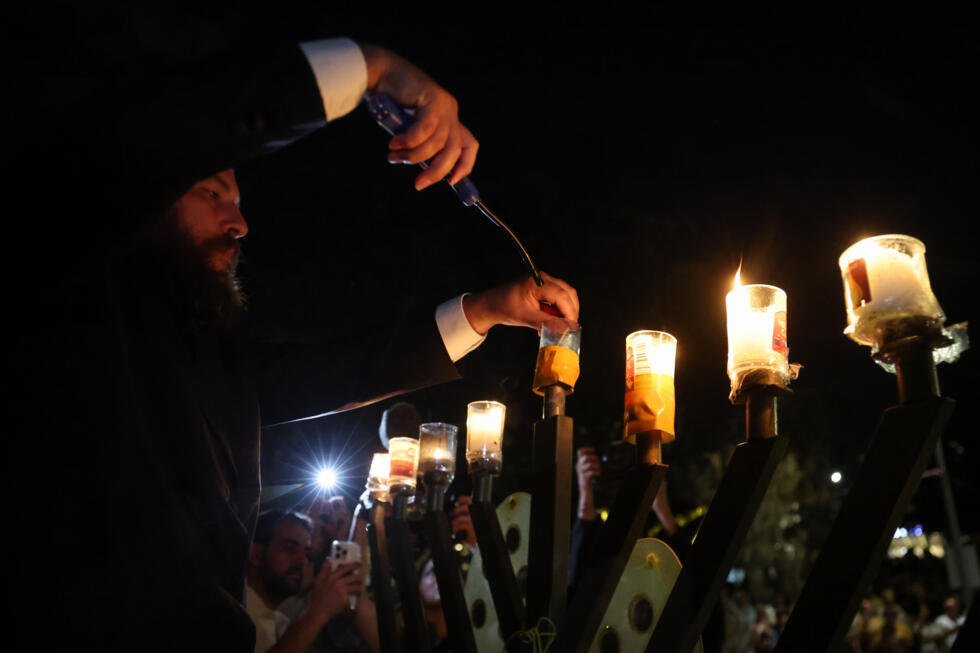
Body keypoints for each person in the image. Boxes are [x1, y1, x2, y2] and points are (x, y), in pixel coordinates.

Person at [20, 33, 580, 653]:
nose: (240, 222)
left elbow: (339, 372)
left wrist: (487, 310)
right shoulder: (75, 282)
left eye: (238, 199)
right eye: (211, 193)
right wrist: (373, 69)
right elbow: (160, 131)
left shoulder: (217, 357)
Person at [246, 510, 367, 653]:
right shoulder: (235, 616)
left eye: (307, 553)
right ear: (257, 555)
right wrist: (319, 610)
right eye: (290, 549)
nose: (303, 561)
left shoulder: (276, 620)